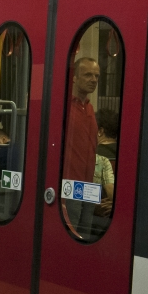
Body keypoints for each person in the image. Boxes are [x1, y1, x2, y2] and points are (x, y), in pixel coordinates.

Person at [61, 57, 100, 237]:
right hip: (70, 183)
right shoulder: (63, 106)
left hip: (89, 184)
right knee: (72, 234)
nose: (94, 80)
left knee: (86, 234)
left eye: (96, 76)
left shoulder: (90, 108)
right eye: (88, 75)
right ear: (74, 77)